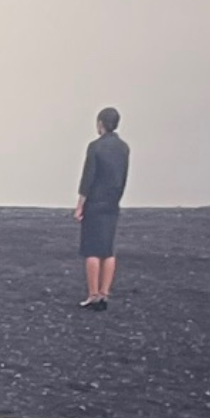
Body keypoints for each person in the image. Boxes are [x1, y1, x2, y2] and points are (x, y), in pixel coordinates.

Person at [75, 106, 129, 311]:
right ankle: (105, 293)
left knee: (92, 250)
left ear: (101, 124)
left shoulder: (95, 147)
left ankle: (93, 294)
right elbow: (122, 177)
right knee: (108, 249)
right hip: (112, 202)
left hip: (95, 202)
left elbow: (87, 178)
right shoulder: (124, 148)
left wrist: (80, 205)